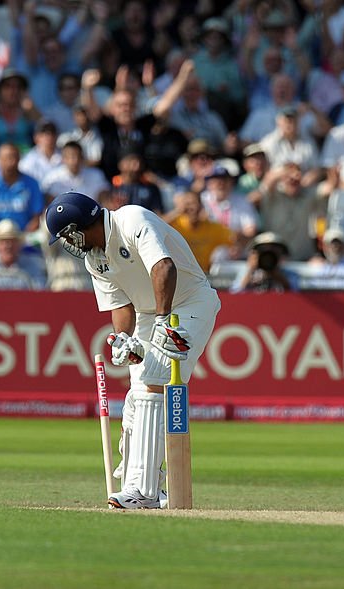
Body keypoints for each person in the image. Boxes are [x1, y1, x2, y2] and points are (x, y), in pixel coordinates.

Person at [43, 191, 221, 509]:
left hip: (190, 301)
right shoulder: (94, 258)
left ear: (81, 226)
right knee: (137, 399)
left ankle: (143, 491)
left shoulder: (132, 219)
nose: (70, 245)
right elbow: (120, 304)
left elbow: (163, 267)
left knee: (154, 378)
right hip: (147, 313)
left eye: (69, 235)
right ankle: (148, 486)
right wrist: (123, 339)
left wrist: (165, 321)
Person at [0, 220, 47, 290]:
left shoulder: (33, 265)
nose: (8, 246)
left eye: (12, 241)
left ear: (19, 244)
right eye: (2, 242)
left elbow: (39, 293)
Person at [231, 232, 299, 293]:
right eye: (263, 250)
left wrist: (276, 274)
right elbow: (235, 294)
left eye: (274, 250)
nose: (268, 256)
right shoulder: (245, 273)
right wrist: (251, 270)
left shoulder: (290, 275)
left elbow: (296, 296)